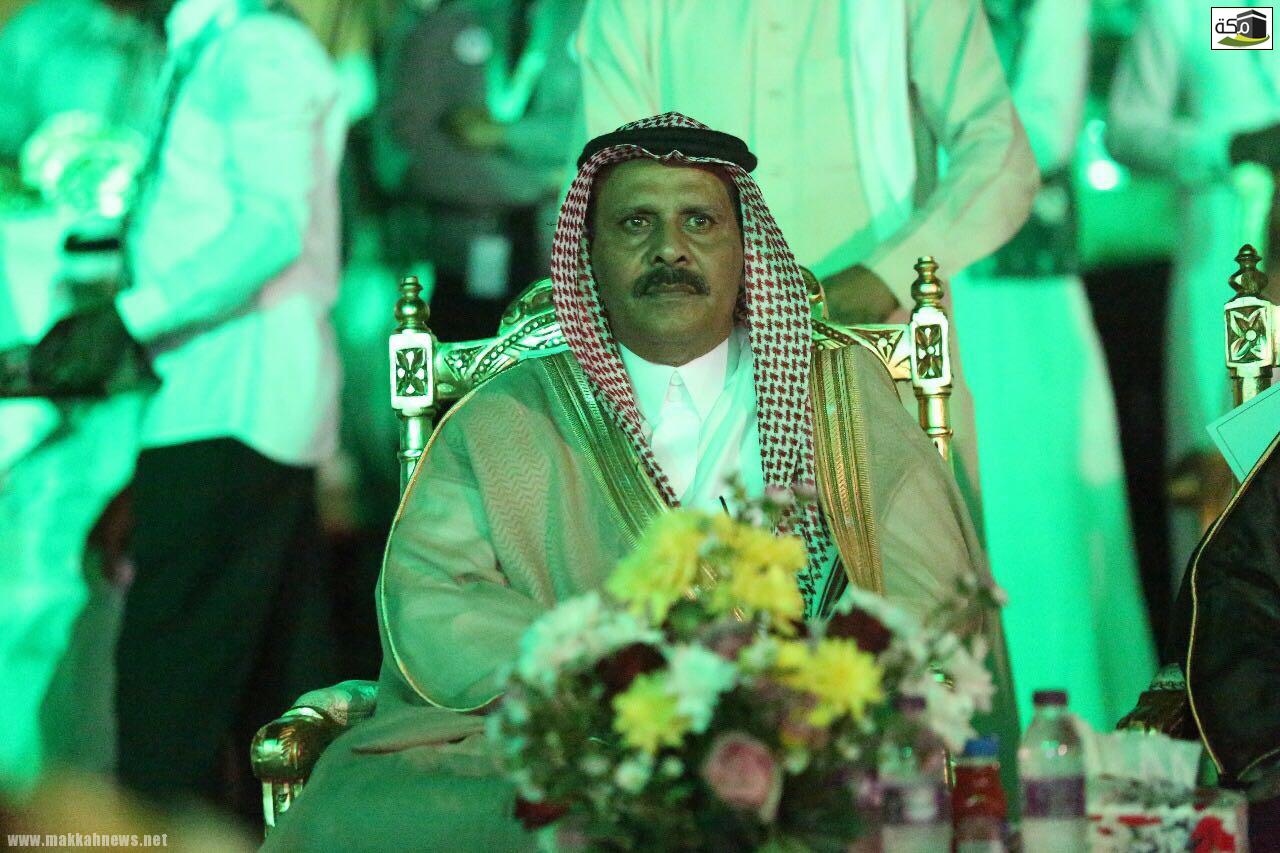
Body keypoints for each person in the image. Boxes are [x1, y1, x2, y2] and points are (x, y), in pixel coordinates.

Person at [262, 113, 1016, 850]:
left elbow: (930, 587)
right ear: (589, 256)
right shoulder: (505, 415)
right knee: (375, 811)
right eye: (634, 224)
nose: (669, 249)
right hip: (585, 743)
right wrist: (606, 675)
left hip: (801, 741)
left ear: (744, 248)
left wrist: (795, 699)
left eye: (699, 222)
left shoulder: (840, 394)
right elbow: (435, 598)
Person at [29, 0, 345, 809]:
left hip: (239, 408)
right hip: (210, 404)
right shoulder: (210, 47)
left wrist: (129, 318)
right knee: (261, 711)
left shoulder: (258, 49)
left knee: (166, 718)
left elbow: (271, 228)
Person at [573, 0, 1040, 523]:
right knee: (699, 566)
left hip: (880, 339)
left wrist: (880, 279)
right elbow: (610, 183)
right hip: (696, 362)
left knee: (913, 556)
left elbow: (1002, 157)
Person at [950, 0, 1155, 729]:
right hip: (943, 285)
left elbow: (1044, 131)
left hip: (1022, 299)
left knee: (1041, 509)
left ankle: (1061, 720)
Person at [0, 0, 163, 790]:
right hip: (51, 364)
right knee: (37, 585)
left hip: (164, 364)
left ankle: (100, 797)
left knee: (125, 602)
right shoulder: (41, 35)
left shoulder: (196, 36)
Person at [1107, 0, 1280, 578]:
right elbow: (1125, 130)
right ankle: (1216, 621)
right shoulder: (1181, 10)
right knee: (1222, 452)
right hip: (1225, 261)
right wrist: (1225, 147)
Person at [373, 0, 584, 342]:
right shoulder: (445, 24)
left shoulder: (586, 16)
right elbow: (404, 160)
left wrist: (505, 134)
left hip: (565, 270)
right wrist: (536, 181)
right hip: (463, 258)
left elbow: (603, 130)